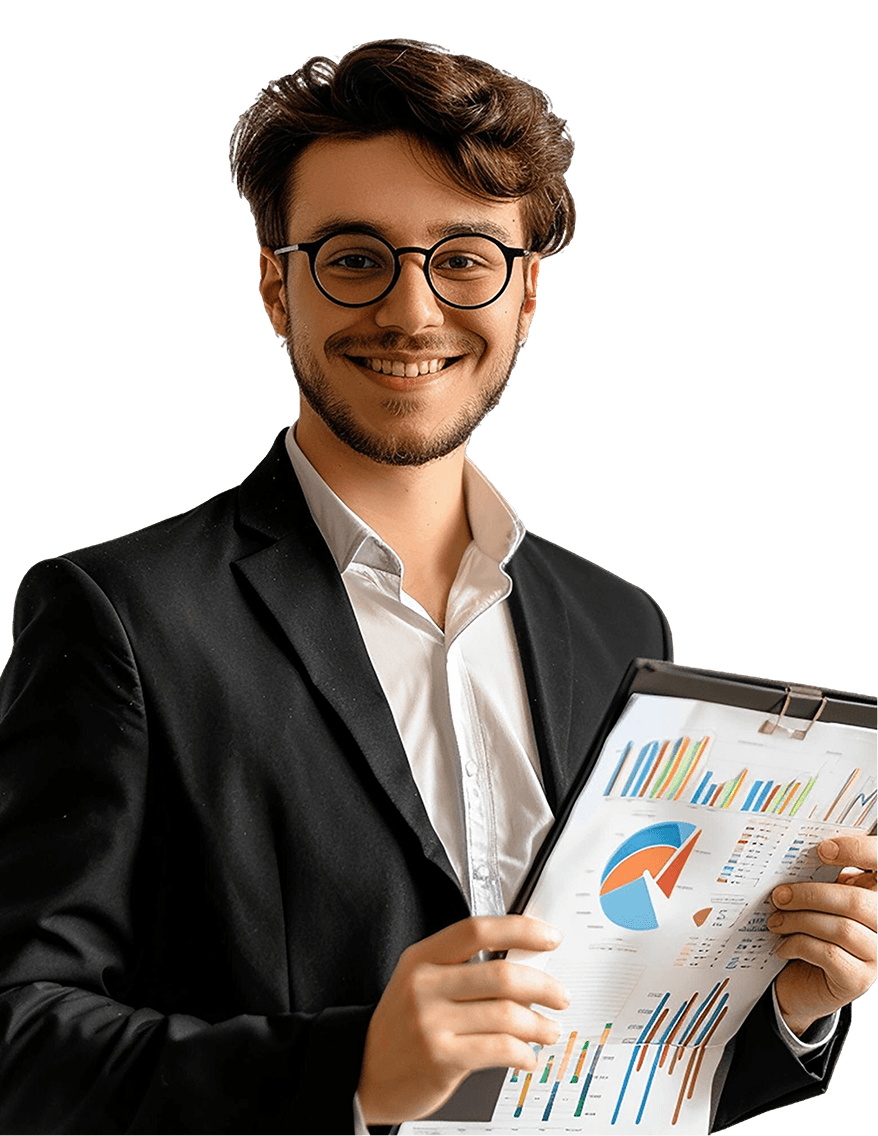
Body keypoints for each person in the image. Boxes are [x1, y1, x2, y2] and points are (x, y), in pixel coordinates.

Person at [0, 38, 874, 1136]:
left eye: (463, 258)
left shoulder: (616, 621)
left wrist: (786, 1004)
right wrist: (351, 1069)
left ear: (525, 294)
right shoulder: (121, 614)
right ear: (278, 286)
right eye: (355, 257)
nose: (412, 312)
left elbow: (606, 1058)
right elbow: (19, 1040)